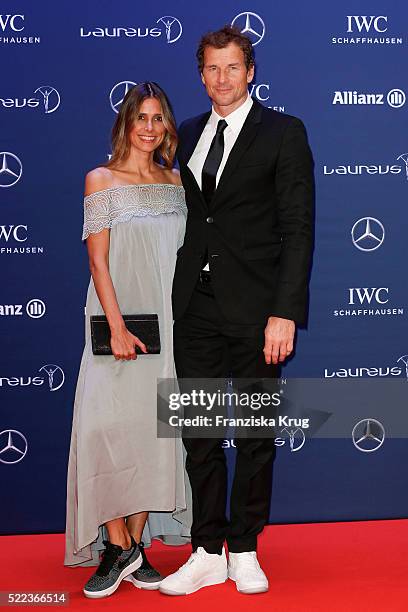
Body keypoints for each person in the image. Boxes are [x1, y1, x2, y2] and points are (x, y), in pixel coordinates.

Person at [159, 26, 314, 596]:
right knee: (199, 432)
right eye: (211, 69)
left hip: (257, 310)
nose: (221, 79)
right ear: (200, 75)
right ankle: (205, 550)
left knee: (253, 433)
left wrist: (285, 312)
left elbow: (298, 228)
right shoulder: (192, 132)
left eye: (232, 68)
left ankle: (244, 546)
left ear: (250, 72)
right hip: (195, 306)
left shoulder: (283, 132)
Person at [64, 82, 190, 599]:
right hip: (117, 325)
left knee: (152, 435)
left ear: (166, 127)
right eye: (141, 117)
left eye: (158, 118)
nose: (149, 127)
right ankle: (116, 542)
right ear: (125, 123)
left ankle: (130, 546)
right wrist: (116, 327)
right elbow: (98, 262)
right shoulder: (101, 180)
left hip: (170, 324)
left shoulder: (178, 182)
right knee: (105, 430)